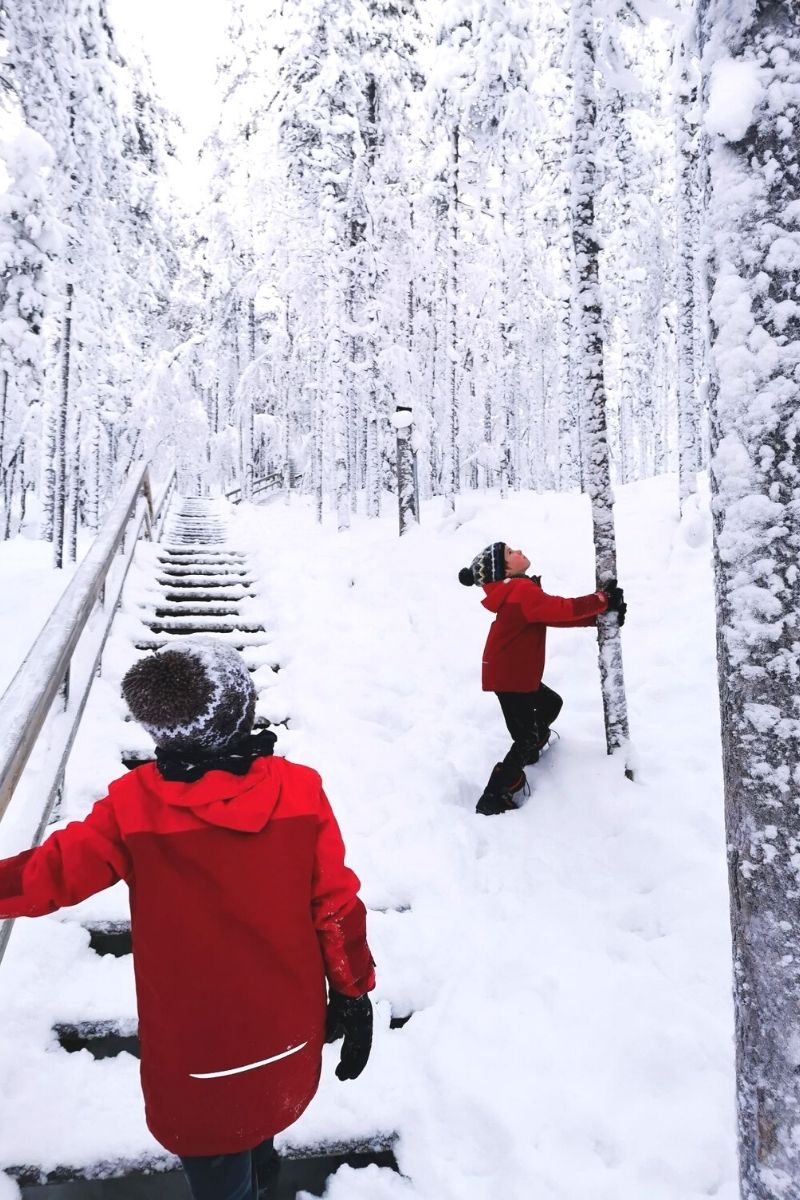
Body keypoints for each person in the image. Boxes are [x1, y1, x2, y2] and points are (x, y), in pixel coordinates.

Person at [0, 637, 375, 1200]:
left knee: (217, 1153)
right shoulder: (300, 790)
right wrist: (354, 991)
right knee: (260, 1116)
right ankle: (264, 1175)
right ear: (244, 714)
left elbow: (50, 874)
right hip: (286, 1022)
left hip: (197, 1045)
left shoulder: (133, 808)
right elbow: (336, 905)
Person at [459, 543, 626, 815]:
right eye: (510, 553)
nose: (518, 551)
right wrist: (601, 601)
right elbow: (561, 609)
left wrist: (599, 620)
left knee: (550, 705)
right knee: (524, 737)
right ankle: (496, 794)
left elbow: (550, 616)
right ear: (505, 570)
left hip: (514, 673)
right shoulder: (520, 590)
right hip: (509, 675)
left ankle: (533, 747)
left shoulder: (520, 591)